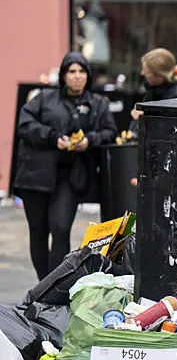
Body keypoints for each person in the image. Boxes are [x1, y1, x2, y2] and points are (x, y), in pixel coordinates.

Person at [14, 52, 118, 280]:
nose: (77, 77)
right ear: (63, 75)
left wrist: (89, 140)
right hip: (36, 174)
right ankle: (44, 284)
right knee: (38, 231)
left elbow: (110, 131)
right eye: (72, 71)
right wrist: (52, 137)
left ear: (88, 76)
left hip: (70, 177)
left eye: (82, 71)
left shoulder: (97, 103)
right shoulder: (44, 98)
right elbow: (25, 125)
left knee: (61, 228)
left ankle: (54, 285)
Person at [127, 48, 177, 138]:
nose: (142, 73)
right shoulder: (155, 90)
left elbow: (170, 133)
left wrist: (143, 119)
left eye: (146, 71)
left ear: (159, 76)